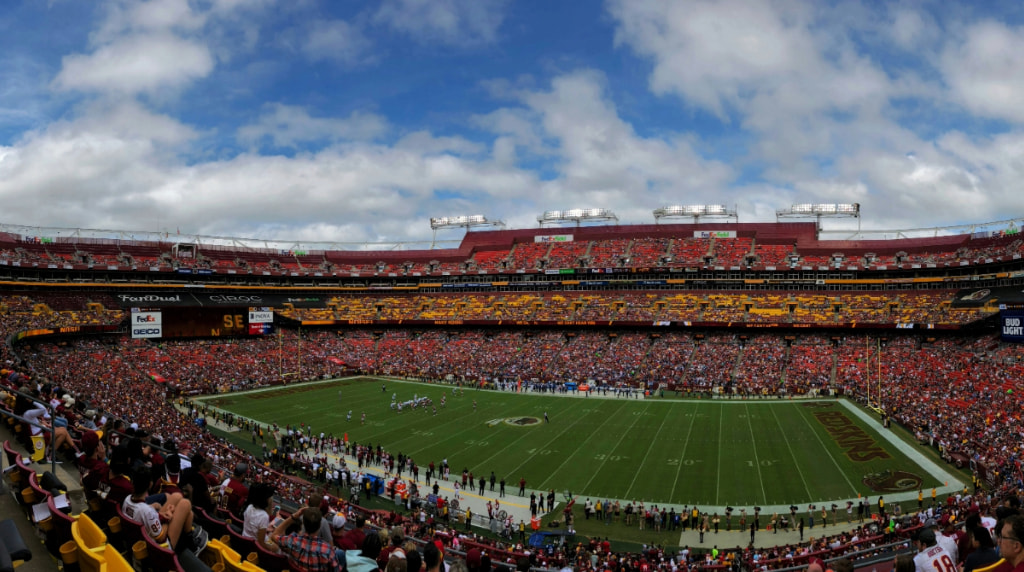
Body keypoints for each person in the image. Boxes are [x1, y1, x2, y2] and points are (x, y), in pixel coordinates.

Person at [122, 468, 206, 554]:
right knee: (185, 503)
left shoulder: (127, 499)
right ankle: (192, 545)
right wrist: (168, 517)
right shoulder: (147, 511)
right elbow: (161, 538)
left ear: (132, 482)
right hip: (160, 548)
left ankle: (189, 539)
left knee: (177, 497)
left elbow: (143, 513)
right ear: (150, 484)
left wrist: (159, 512)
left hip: (144, 534)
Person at [270, 507, 342, 572]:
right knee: (340, 553)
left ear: (303, 523)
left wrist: (294, 516)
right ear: (320, 525)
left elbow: (273, 535)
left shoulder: (292, 540)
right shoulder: (328, 550)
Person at [242, 483, 278, 553]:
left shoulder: (250, 507)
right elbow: (261, 543)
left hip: (245, 538)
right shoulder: (264, 516)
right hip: (254, 546)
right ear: (265, 499)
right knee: (277, 548)